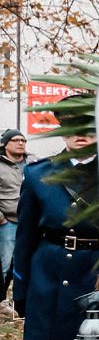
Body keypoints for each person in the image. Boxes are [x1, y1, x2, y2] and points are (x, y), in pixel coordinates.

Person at [12, 129, 99, 340]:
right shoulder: (38, 174)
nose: (81, 133)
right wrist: (21, 290)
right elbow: (25, 238)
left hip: (98, 274)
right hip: (48, 278)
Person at [0, 129, 27, 306]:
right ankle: (1, 301)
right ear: (5, 144)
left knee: (23, 263)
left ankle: (20, 302)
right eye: (16, 140)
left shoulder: (33, 163)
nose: (21, 143)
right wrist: (1, 218)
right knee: (4, 264)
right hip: (7, 223)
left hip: (29, 223)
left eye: (23, 141)